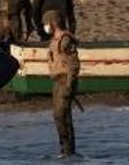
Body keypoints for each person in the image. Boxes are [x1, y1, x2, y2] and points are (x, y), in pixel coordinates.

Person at [48, 19, 81, 157]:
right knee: (60, 116)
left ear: (53, 24)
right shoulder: (54, 40)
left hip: (64, 81)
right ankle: (66, 149)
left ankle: (68, 149)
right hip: (56, 81)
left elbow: (73, 64)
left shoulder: (66, 40)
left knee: (61, 116)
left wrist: (69, 85)